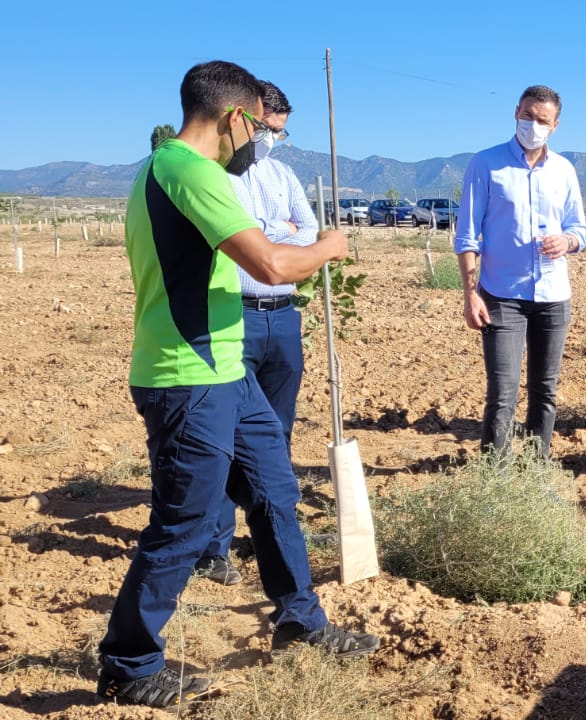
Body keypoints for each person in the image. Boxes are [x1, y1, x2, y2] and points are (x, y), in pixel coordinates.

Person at [99, 60, 377, 710]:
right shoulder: (188, 172)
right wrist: (330, 247)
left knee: (276, 491)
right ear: (234, 117)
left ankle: (300, 626)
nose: (256, 139)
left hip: (225, 368)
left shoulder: (163, 166)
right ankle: (129, 664)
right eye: (255, 124)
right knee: (184, 523)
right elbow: (274, 264)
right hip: (187, 375)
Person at [194, 81, 314, 588]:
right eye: (267, 130)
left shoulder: (282, 173)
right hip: (232, 316)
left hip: (283, 315)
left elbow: (307, 230)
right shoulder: (214, 178)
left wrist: (273, 234)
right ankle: (214, 547)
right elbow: (252, 248)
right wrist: (275, 236)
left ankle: (263, 531)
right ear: (243, 118)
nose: (271, 140)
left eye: (280, 134)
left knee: (275, 431)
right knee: (226, 434)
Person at [455, 85, 586, 457]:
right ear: (516, 112)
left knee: (545, 389)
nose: (533, 124)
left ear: (555, 125)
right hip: (502, 295)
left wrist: (568, 242)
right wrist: (470, 294)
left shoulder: (563, 170)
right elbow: (467, 235)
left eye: (542, 120)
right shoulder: (486, 164)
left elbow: (580, 228)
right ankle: (494, 477)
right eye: (527, 116)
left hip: (552, 295)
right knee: (503, 391)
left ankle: (535, 469)